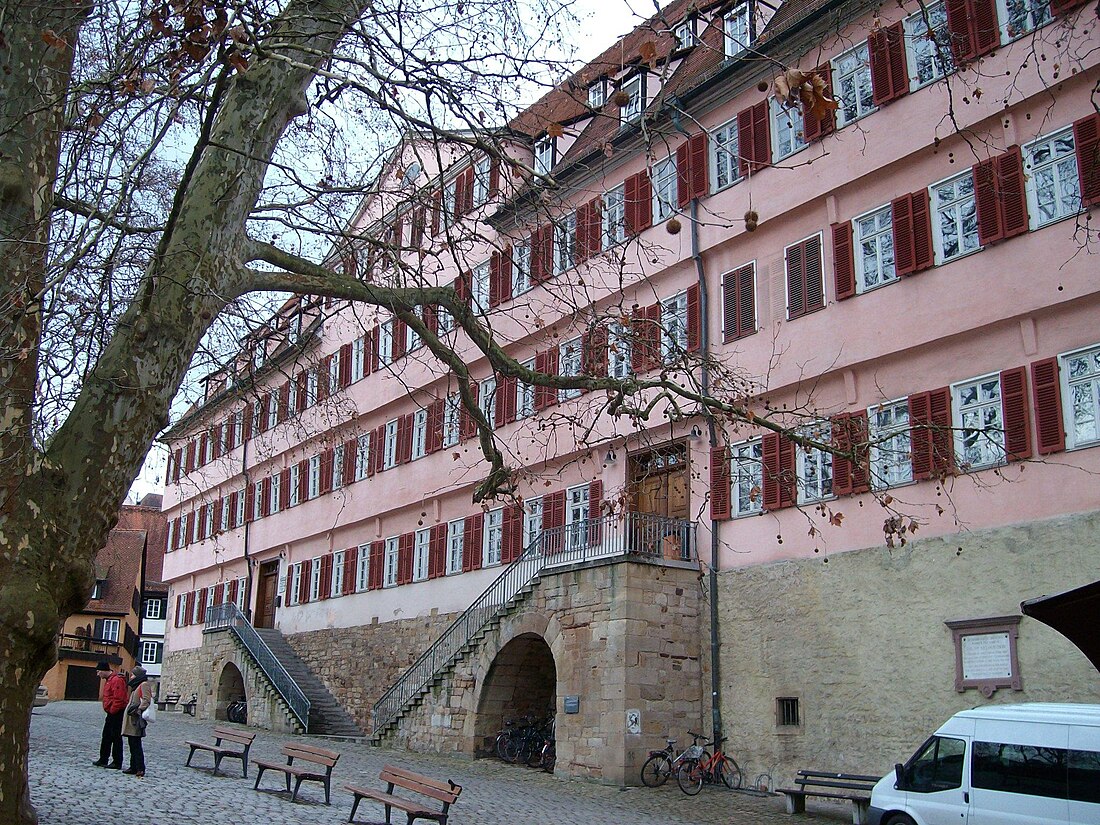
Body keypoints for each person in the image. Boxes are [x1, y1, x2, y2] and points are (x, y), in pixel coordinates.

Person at [92, 661, 127, 769]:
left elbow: (119, 698)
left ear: (103, 670)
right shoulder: (109, 680)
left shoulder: (116, 680)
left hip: (116, 713)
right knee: (106, 736)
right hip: (111, 712)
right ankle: (103, 758)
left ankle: (117, 761)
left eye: (98, 672)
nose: (98, 674)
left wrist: (112, 710)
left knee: (116, 737)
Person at [121, 665, 151, 777]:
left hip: (136, 719)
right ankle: (133, 766)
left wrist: (138, 710)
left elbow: (147, 700)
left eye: (133, 674)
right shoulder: (137, 685)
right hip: (132, 718)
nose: (131, 677)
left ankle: (140, 767)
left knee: (136, 744)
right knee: (132, 743)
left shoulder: (143, 685)